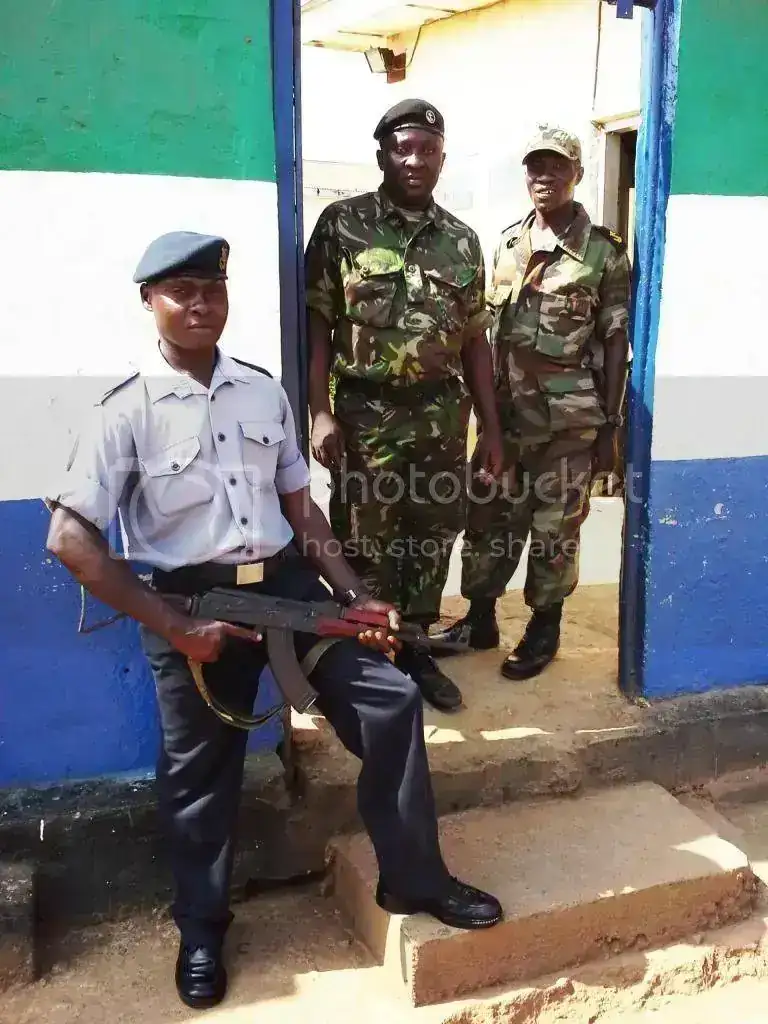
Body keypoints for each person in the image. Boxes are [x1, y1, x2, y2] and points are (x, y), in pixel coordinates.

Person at [44, 232, 502, 1011]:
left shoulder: (263, 392)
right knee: (199, 776)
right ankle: (200, 931)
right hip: (194, 605)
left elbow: (301, 510)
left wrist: (351, 595)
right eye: (182, 291)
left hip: (288, 590)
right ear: (149, 301)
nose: (200, 304)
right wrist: (172, 625)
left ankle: (415, 879)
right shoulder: (125, 410)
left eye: (213, 290)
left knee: (390, 702)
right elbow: (70, 540)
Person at [304, 99, 503, 714]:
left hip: (443, 417)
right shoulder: (343, 225)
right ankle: (369, 655)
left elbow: (475, 340)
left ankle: (413, 645)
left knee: (432, 535)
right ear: (382, 155)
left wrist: (490, 427)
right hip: (366, 414)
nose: (415, 161)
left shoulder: (462, 241)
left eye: (427, 150)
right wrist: (319, 410)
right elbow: (317, 325)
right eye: (402, 149)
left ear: (442, 159)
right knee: (365, 537)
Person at [434, 125, 631, 680]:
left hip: (567, 424)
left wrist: (611, 426)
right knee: (488, 522)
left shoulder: (603, 253)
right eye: (536, 166)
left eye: (557, 166)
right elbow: (486, 334)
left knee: (553, 531)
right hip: (505, 418)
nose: (544, 177)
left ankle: (545, 627)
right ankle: (480, 618)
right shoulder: (506, 244)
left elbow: (616, 341)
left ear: (578, 174)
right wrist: (484, 419)